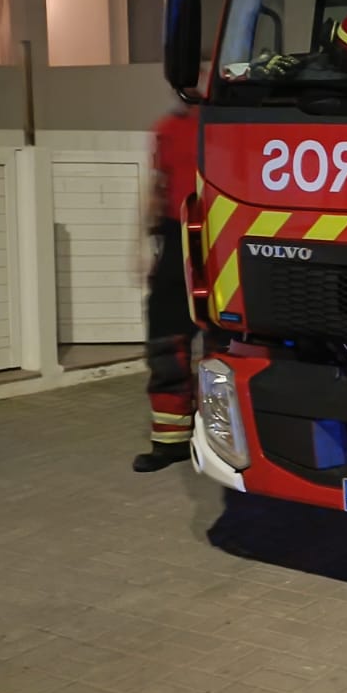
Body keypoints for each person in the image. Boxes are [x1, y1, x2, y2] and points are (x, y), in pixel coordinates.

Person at [134, 98, 201, 473]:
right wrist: (142, 245)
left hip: (222, 237)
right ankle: (170, 441)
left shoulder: (230, 118)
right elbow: (155, 187)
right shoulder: (168, 127)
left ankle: (219, 437)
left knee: (223, 345)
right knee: (165, 340)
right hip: (176, 241)